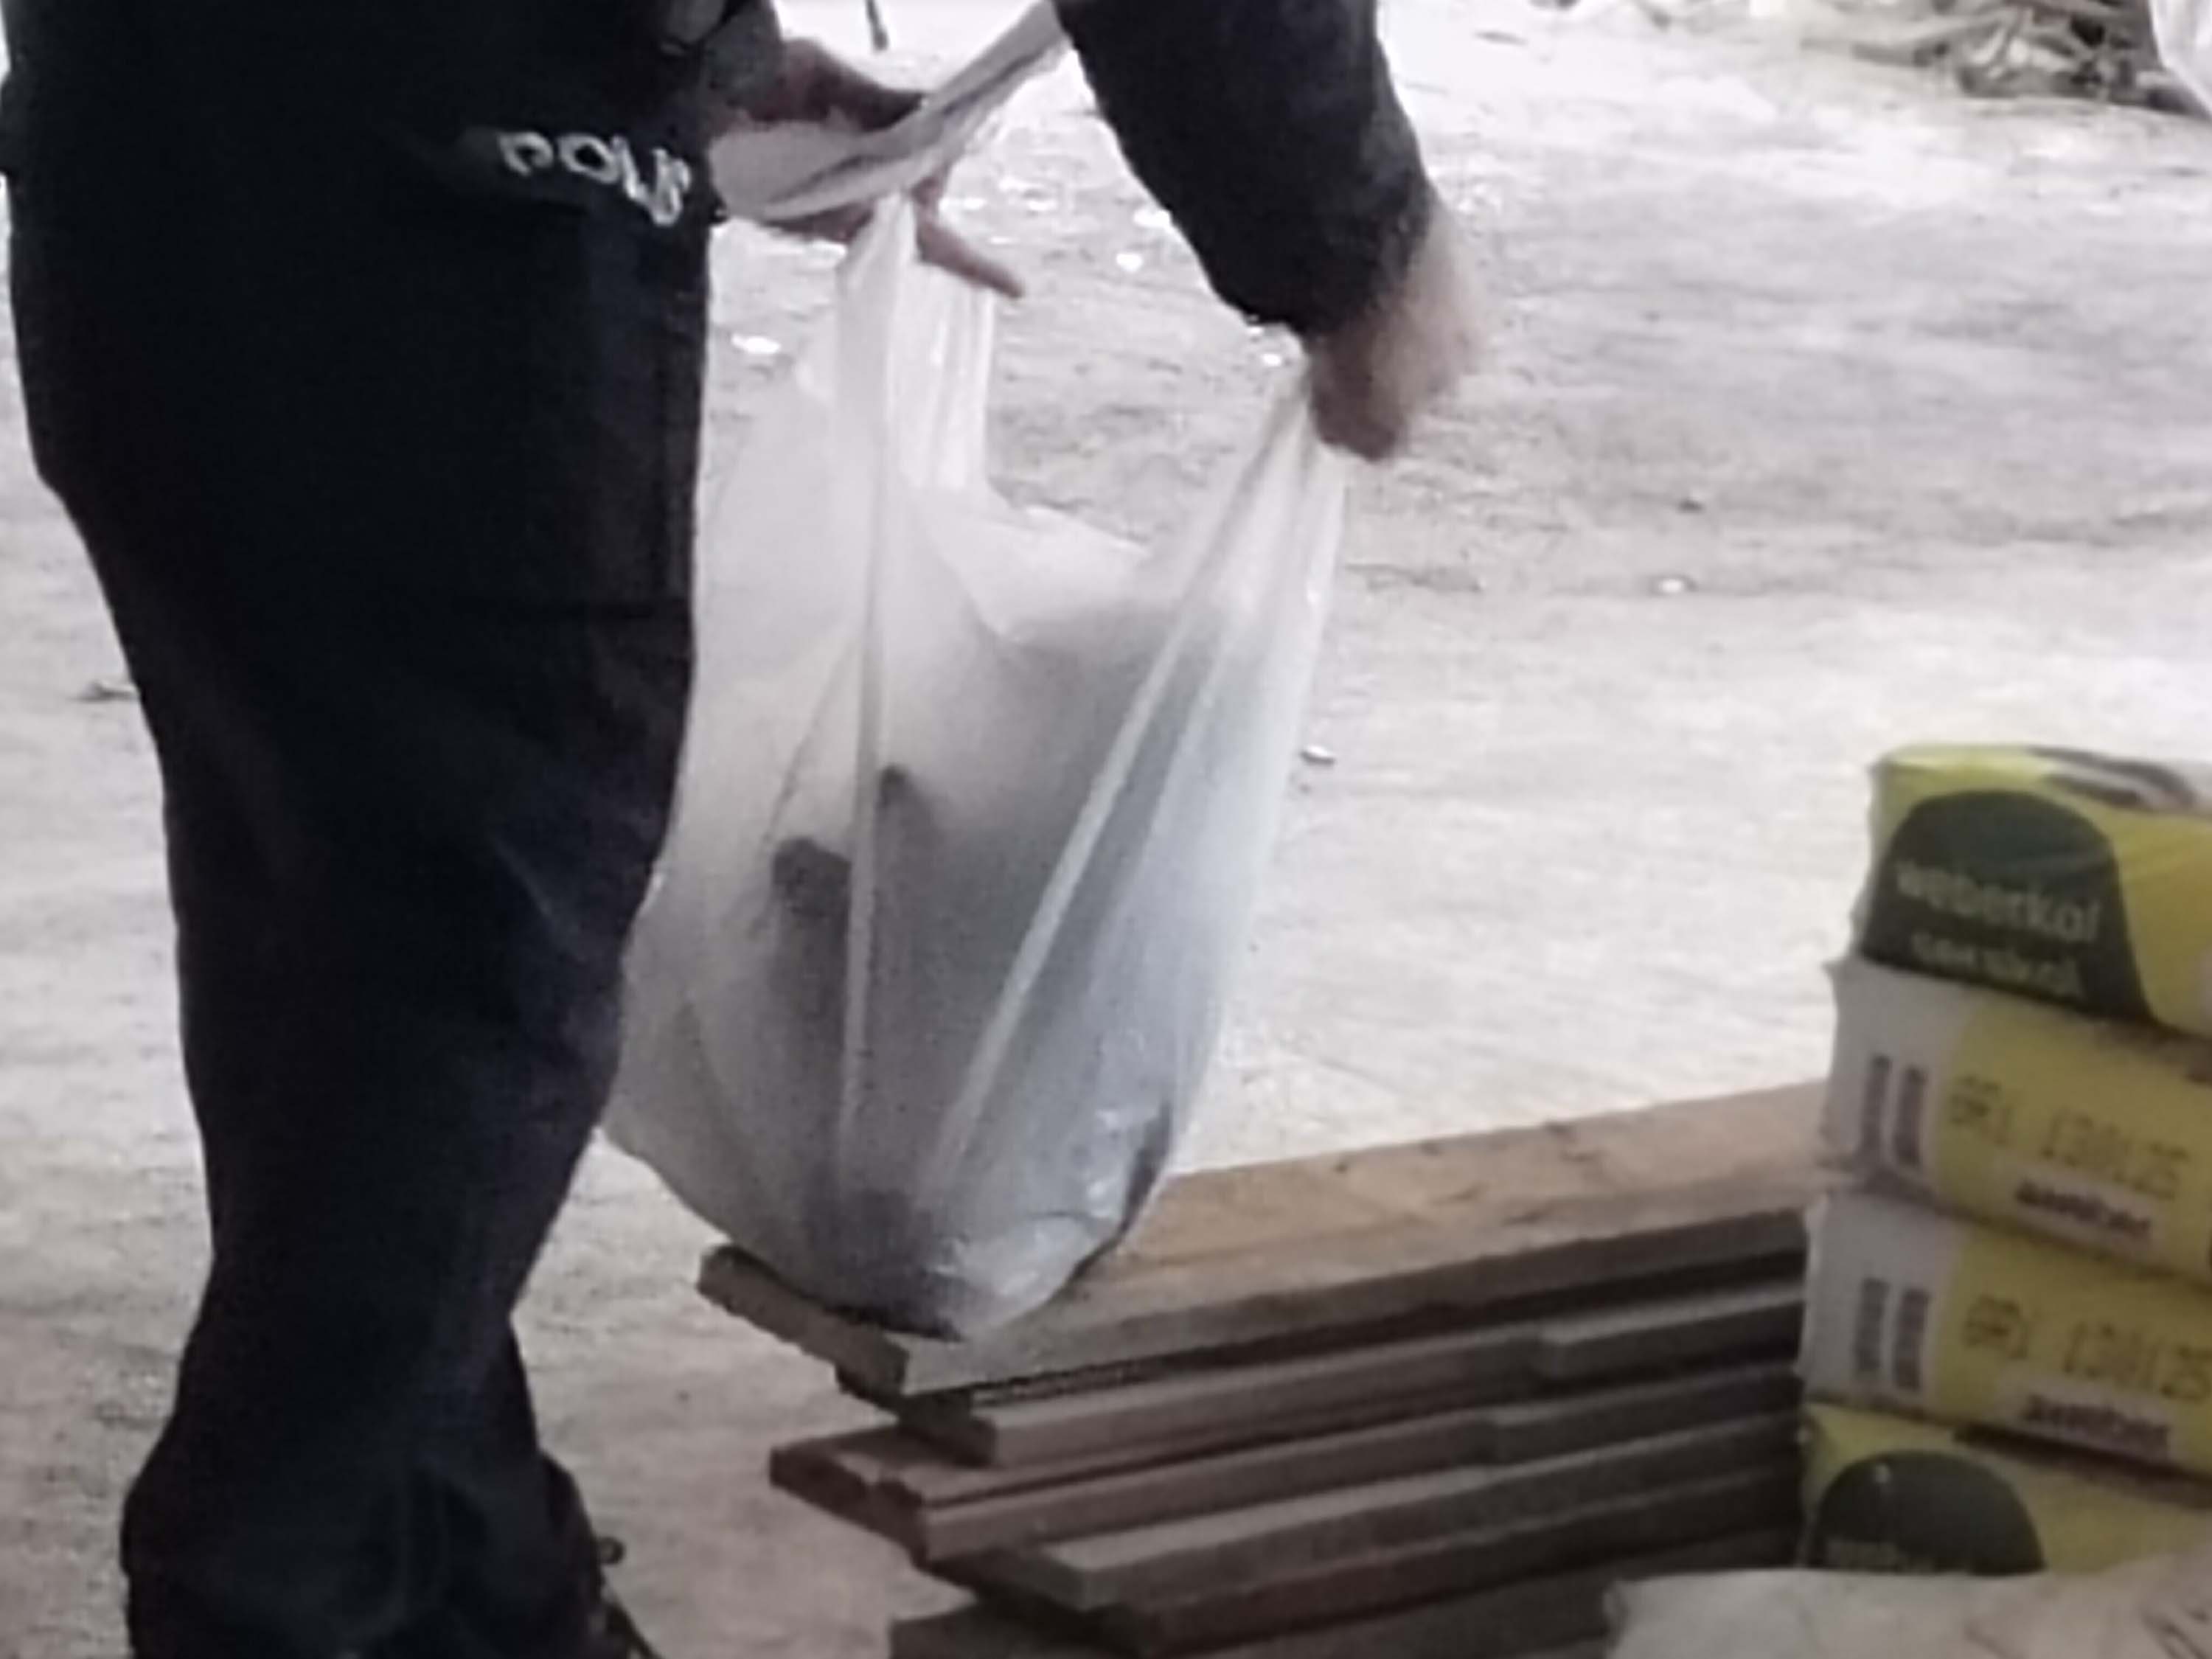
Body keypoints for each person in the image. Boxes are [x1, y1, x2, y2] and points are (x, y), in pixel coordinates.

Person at [0, 1, 1477, 1655]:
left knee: (333, 907)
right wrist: (1350, 234)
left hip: (140, 159)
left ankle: (460, 1591)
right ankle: (276, 1600)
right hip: (447, 214)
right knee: (472, 965)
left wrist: (698, 60)